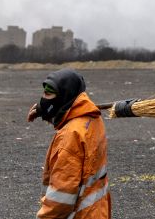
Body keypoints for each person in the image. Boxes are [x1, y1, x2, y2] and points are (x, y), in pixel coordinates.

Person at [27, 68, 111, 218]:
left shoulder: (70, 135)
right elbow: (64, 111)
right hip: (97, 211)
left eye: (48, 93)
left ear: (63, 97)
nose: (43, 98)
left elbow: (61, 197)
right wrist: (44, 110)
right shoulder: (92, 118)